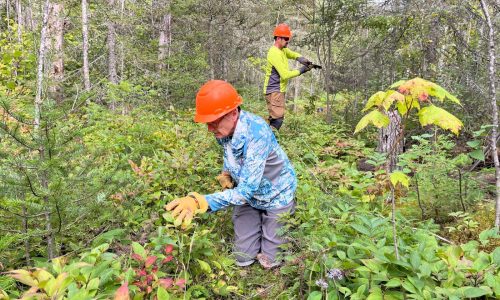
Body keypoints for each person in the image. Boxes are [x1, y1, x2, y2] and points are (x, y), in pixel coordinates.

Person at [165, 80, 297, 269]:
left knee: (270, 261)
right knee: (242, 257)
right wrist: (227, 172)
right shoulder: (224, 131)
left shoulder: (257, 132)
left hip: (276, 195)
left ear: (233, 112)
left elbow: (245, 192)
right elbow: (230, 154)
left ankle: (278, 217)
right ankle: (258, 223)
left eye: (214, 122)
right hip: (249, 199)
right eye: (208, 123)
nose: (210, 128)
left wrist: (199, 201)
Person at [264, 23, 313, 130]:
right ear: (278, 38)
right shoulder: (274, 53)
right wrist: (302, 70)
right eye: (285, 38)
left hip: (276, 90)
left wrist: (301, 59)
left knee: (275, 119)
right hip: (274, 90)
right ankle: (268, 141)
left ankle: (267, 140)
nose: (287, 41)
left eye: (288, 39)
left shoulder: (282, 50)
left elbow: (291, 53)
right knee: (277, 120)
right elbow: (285, 75)